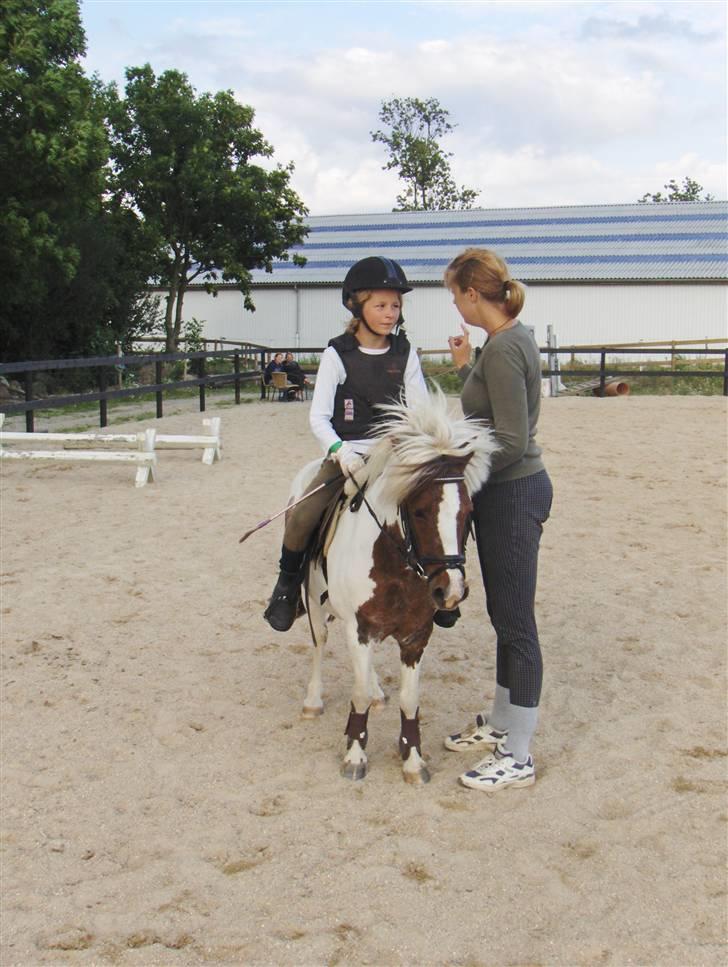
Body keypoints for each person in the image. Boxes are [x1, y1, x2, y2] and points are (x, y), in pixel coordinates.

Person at [263, 255, 429, 632]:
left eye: (395, 305)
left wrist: (406, 444)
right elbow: (318, 417)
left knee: (439, 505)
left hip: (394, 454)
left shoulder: (405, 354)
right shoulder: (336, 354)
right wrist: (341, 452)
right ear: (357, 306)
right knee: (303, 515)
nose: (390, 313)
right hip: (346, 456)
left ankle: (441, 585)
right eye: (381, 305)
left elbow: (418, 411)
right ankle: (286, 588)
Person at [442, 248, 553, 792]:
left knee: (516, 625)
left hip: (512, 493)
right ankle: (503, 723)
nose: (454, 305)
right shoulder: (501, 341)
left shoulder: (507, 347)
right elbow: (493, 409)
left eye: (454, 295)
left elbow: (510, 440)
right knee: (503, 617)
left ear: (471, 293)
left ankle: (519, 755)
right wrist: (467, 365)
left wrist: (458, 469)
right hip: (505, 492)